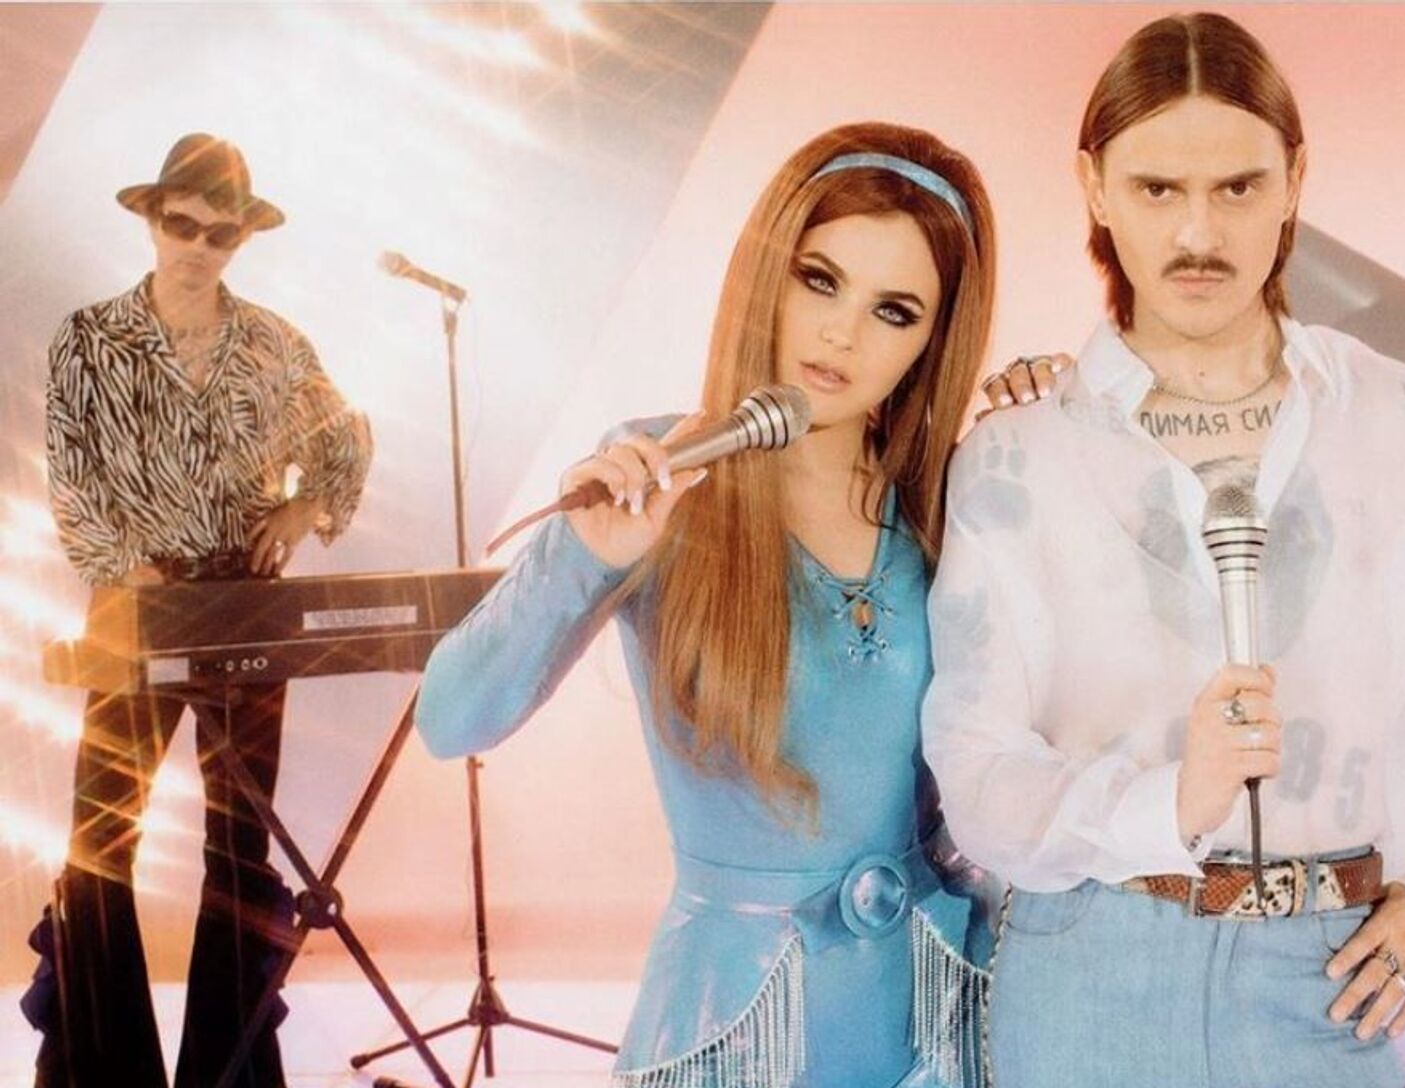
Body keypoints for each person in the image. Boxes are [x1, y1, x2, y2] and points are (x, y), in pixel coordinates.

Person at [919, 14, 1405, 1087]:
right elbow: (975, 765)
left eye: (1238, 187)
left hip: (1327, 974)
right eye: (1157, 188)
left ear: (1296, 179)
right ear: (1094, 186)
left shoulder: (1401, 422)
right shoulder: (1020, 453)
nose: (1197, 232)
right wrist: (1169, 803)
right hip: (1085, 972)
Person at [417, 122, 999, 1088]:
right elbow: (451, 719)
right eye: (820, 280)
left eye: (894, 311)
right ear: (768, 272)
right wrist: (586, 559)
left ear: (934, 340)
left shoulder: (945, 500)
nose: (842, 333)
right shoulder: (660, 473)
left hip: (934, 1016)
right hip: (737, 1021)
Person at [26, 133, 373, 1088]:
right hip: (133, 602)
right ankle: (100, 1069)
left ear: (242, 239)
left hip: (245, 608)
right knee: (102, 839)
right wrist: (130, 573)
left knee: (239, 842)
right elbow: (72, 483)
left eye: (221, 234)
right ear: (152, 218)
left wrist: (305, 508)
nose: (198, 247)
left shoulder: (273, 343)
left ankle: (234, 1070)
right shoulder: (88, 339)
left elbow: (347, 435)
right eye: (183, 225)